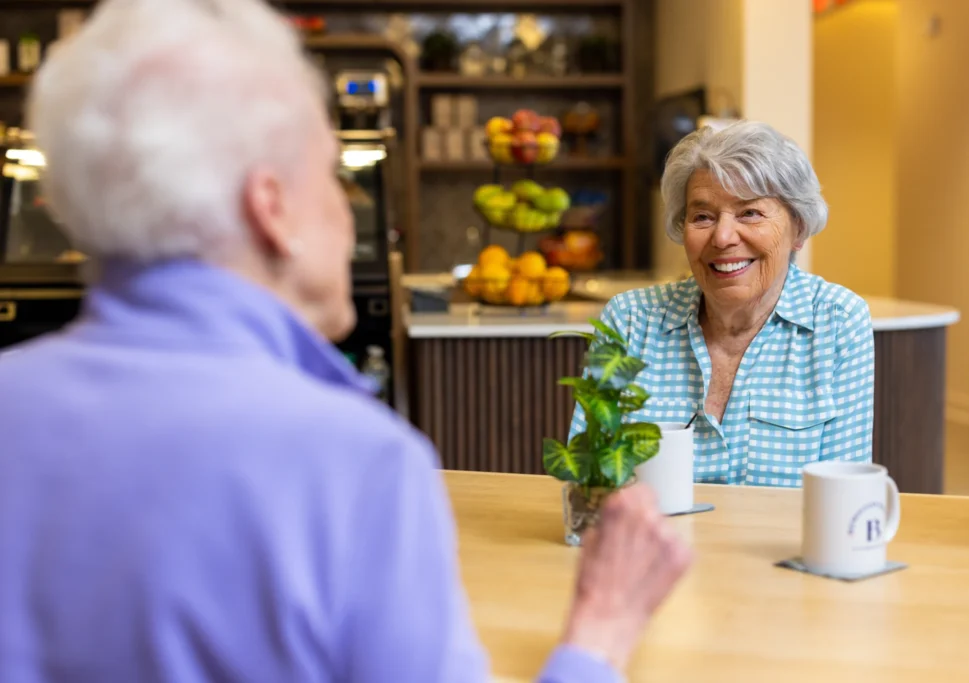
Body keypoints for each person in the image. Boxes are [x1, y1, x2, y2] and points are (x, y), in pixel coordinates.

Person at [0, 0, 691, 681]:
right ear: (271, 209)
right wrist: (601, 631)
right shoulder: (357, 467)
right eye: (331, 175)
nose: (346, 210)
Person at [570, 121, 875, 488]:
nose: (723, 237)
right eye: (703, 216)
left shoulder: (837, 322)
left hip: (778, 545)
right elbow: (587, 479)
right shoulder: (632, 320)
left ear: (798, 226)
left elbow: (843, 495)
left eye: (749, 213)